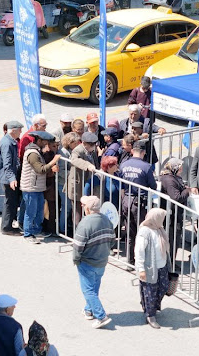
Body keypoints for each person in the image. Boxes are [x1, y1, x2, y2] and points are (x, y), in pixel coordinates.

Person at [73, 195, 114, 329]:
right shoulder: (107, 220)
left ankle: (101, 316)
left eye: (84, 205)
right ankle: (89, 310)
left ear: (88, 208)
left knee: (88, 290)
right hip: (102, 261)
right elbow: (112, 240)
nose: (82, 207)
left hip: (87, 262)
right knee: (95, 286)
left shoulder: (85, 223)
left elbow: (78, 246)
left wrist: (76, 259)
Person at [120, 141, 157, 265]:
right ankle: (141, 262)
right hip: (139, 202)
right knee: (141, 232)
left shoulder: (124, 164)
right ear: (144, 152)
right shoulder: (146, 167)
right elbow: (153, 186)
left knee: (129, 232)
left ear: (132, 151)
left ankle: (129, 261)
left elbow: (121, 184)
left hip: (126, 200)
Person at [21, 131, 60, 243]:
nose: (47, 144)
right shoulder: (32, 153)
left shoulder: (38, 151)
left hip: (37, 187)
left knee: (39, 211)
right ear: (39, 141)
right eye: (45, 142)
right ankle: (28, 234)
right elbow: (40, 169)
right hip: (31, 187)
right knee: (30, 212)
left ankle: (37, 230)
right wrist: (53, 162)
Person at [135, 208, 171, 329]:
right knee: (150, 292)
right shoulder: (144, 232)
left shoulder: (159, 229)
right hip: (150, 268)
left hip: (162, 266)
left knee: (163, 287)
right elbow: (139, 251)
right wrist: (141, 269)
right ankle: (150, 316)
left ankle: (149, 306)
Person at [0, 121, 24, 236]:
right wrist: (12, 178)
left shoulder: (10, 141)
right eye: (19, 130)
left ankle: (9, 224)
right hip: (8, 178)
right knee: (10, 202)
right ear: (13, 130)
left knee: (12, 201)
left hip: (9, 176)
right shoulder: (7, 143)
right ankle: (6, 227)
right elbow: (7, 164)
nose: (21, 132)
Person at [67, 132, 99, 225]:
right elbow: (74, 160)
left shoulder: (92, 151)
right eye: (91, 144)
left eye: (94, 144)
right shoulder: (78, 150)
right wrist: (87, 165)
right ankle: (77, 230)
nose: (93, 146)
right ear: (84, 143)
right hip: (78, 185)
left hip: (89, 184)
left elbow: (95, 163)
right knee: (77, 211)